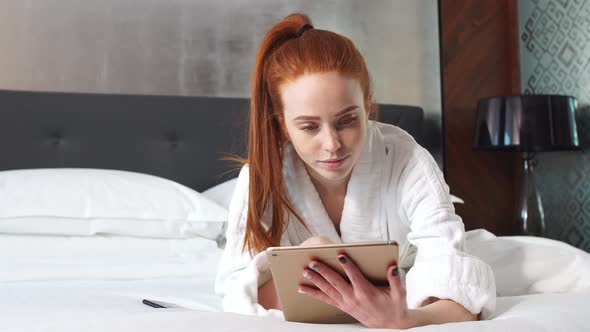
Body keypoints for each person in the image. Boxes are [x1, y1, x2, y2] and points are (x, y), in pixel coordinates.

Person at [215, 13, 496, 329]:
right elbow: (238, 294)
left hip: (412, 276)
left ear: (367, 105)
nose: (332, 144)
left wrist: (405, 319)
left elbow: (458, 286)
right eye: (309, 127)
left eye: (347, 121)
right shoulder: (260, 178)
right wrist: (310, 270)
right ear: (281, 122)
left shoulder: (406, 160)